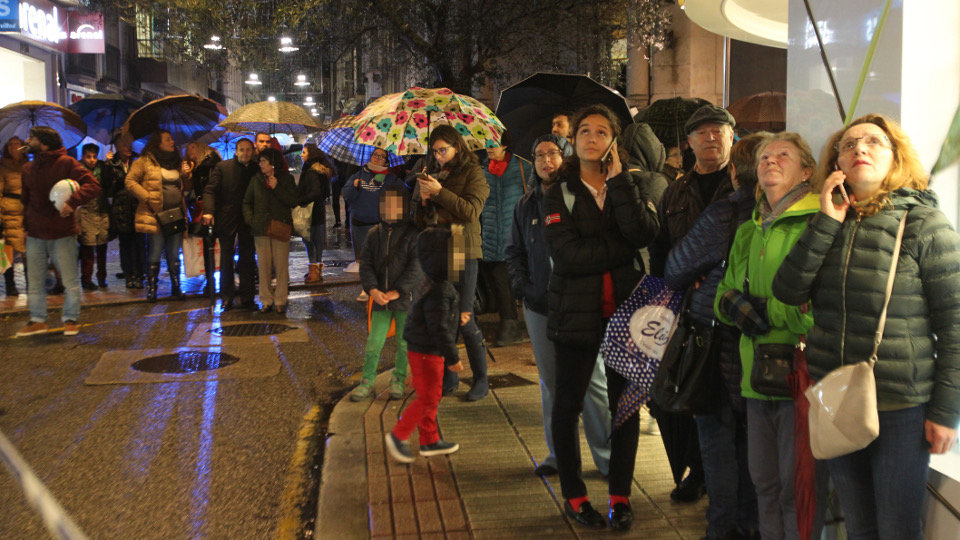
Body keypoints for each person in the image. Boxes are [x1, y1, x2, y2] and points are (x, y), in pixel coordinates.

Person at [772, 114, 960, 539]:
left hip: (900, 406)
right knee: (858, 526)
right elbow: (786, 290)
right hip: (836, 394)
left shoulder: (925, 225)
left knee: (896, 528)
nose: (860, 149)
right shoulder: (826, 221)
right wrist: (826, 221)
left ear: (895, 158)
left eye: (874, 142)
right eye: (849, 144)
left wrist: (947, 411)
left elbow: (955, 326)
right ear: (835, 162)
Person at [542, 105, 660, 530]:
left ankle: (620, 495)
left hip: (627, 315)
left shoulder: (630, 182)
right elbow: (567, 257)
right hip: (575, 313)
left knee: (625, 407)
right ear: (572, 140)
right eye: (583, 130)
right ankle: (574, 496)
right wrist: (621, 250)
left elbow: (645, 233)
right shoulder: (559, 191)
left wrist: (620, 183)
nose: (591, 137)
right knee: (568, 404)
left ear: (614, 140)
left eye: (601, 131)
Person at [716, 132, 828, 540]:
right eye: (764, 156)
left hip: (801, 375)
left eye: (783, 155)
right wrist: (741, 308)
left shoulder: (819, 224)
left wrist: (765, 310)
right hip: (755, 377)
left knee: (794, 491)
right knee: (764, 484)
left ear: (807, 170)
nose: (770, 161)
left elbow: (814, 308)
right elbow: (722, 296)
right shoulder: (750, 229)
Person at [664, 133, 768, 540]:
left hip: (718, 344)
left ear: (734, 171)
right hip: (766, 349)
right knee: (756, 445)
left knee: (720, 442)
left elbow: (675, 268)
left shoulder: (727, 212)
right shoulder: (785, 214)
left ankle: (722, 529)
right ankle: (751, 526)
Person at [506, 133, 611, 479]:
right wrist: (523, 288)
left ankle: (607, 456)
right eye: (538, 155)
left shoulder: (580, 197)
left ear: (566, 157)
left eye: (552, 153)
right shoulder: (526, 204)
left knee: (592, 381)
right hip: (539, 305)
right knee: (551, 382)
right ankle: (559, 455)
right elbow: (515, 252)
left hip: (581, 303)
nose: (545, 161)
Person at [650, 104, 738, 505]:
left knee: (725, 405)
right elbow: (663, 253)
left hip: (733, 312)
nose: (711, 138)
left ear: (731, 137)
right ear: (689, 142)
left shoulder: (743, 187)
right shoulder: (675, 191)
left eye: (718, 130)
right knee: (683, 400)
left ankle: (725, 486)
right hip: (689, 314)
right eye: (702, 132)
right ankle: (696, 472)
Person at [413, 124, 490, 401]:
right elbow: (421, 221)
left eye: (443, 150)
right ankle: (451, 375)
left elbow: (470, 212)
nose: (439, 156)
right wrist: (423, 202)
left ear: (457, 147)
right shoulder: (433, 174)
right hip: (438, 250)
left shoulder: (474, 172)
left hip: (463, 249)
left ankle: (481, 378)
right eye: (435, 152)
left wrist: (439, 192)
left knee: (465, 318)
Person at [384, 226, 464, 463]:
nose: (461, 259)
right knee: (429, 397)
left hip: (424, 349)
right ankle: (399, 435)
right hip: (427, 351)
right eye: (456, 253)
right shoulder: (440, 289)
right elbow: (438, 327)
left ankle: (429, 440)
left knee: (431, 394)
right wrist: (453, 358)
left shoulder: (432, 282)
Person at [15, 126, 99, 337]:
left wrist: (73, 202)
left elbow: (93, 185)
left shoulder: (67, 163)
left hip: (62, 232)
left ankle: (70, 319)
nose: (27, 140)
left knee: (70, 280)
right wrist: (25, 227)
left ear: (42, 142)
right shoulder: (28, 168)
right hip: (35, 232)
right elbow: (25, 201)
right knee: (34, 281)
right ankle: (37, 320)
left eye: (31, 137)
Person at [351, 185, 422, 401]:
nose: (390, 208)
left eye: (396, 204)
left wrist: (397, 291)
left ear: (405, 206)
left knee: (403, 343)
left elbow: (416, 267)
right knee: (374, 343)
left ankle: (398, 381)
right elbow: (366, 264)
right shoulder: (374, 234)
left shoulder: (413, 234)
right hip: (380, 299)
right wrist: (372, 289)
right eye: (386, 204)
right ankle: (367, 381)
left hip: (404, 300)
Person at [126, 130, 192, 302]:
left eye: (172, 139)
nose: (172, 142)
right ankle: (152, 289)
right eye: (168, 139)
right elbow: (130, 181)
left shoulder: (178, 161)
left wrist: (187, 174)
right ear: (158, 143)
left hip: (176, 214)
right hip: (155, 215)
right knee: (155, 250)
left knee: (174, 252)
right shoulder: (145, 161)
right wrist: (146, 197)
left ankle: (176, 287)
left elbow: (186, 188)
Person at [480, 130, 530, 346]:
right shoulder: (483, 170)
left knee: (507, 282)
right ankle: (509, 323)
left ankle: (510, 325)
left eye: (494, 144)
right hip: (490, 236)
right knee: (497, 282)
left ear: (505, 145)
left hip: (514, 236)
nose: (490, 148)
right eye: (487, 144)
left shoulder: (521, 167)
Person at [202, 138, 258, 310]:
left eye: (248, 150)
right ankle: (227, 296)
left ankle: (247, 297)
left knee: (247, 258)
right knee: (226, 259)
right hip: (227, 219)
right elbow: (210, 190)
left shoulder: (256, 169)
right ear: (236, 151)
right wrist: (209, 211)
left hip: (248, 220)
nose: (245, 153)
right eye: (242, 150)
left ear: (252, 151)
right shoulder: (223, 167)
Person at [342, 147, 403, 300]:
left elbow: (402, 196)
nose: (377, 158)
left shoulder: (391, 179)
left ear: (386, 161)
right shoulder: (358, 175)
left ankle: (379, 288)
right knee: (365, 259)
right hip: (359, 224)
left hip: (380, 224)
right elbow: (347, 196)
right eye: (375, 155)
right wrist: (354, 186)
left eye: (382, 156)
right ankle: (366, 288)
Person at [243, 147, 298, 314]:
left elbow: (293, 201)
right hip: (260, 228)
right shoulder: (256, 180)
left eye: (264, 161)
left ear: (273, 164)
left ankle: (281, 300)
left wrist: (277, 187)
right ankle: (266, 300)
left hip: (280, 227)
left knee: (281, 266)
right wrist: (251, 219)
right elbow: (247, 202)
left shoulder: (286, 179)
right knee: (264, 267)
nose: (260, 164)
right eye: (260, 161)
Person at [104, 136, 144, 289]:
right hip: (121, 208)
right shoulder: (112, 163)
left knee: (139, 242)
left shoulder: (138, 161)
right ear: (116, 146)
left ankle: (140, 274)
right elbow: (107, 188)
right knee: (125, 242)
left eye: (129, 143)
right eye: (123, 144)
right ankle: (128, 274)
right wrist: (108, 167)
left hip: (137, 206)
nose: (127, 147)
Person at [77, 143, 111, 290]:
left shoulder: (102, 167)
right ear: (83, 156)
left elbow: (108, 185)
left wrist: (109, 164)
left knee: (102, 246)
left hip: (101, 210)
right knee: (87, 248)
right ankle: (86, 278)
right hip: (86, 211)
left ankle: (102, 277)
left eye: (94, 157)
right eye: (88, 157)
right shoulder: (78, 170)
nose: (92, 160)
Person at [298, 144, 333, 284]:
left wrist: (299, 200)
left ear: (310, 154)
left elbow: (315, 192)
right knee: (317, 240)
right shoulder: (321, 170)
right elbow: (324, 192)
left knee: (309, 240)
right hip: (318, 210)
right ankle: (316, 268)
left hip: (311, 211)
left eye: (304, 152)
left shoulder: (311, 171)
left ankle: (314, 269)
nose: (301, 154)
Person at [1, 137, 27, 296]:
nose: (14, 147)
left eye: (17, 144)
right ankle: (10, 285)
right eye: (11, 144)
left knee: (29, 251)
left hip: (27, 211)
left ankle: (32, 284)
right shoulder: (3, 166)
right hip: (9, 212)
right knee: (8, 251)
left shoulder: (29, 166)